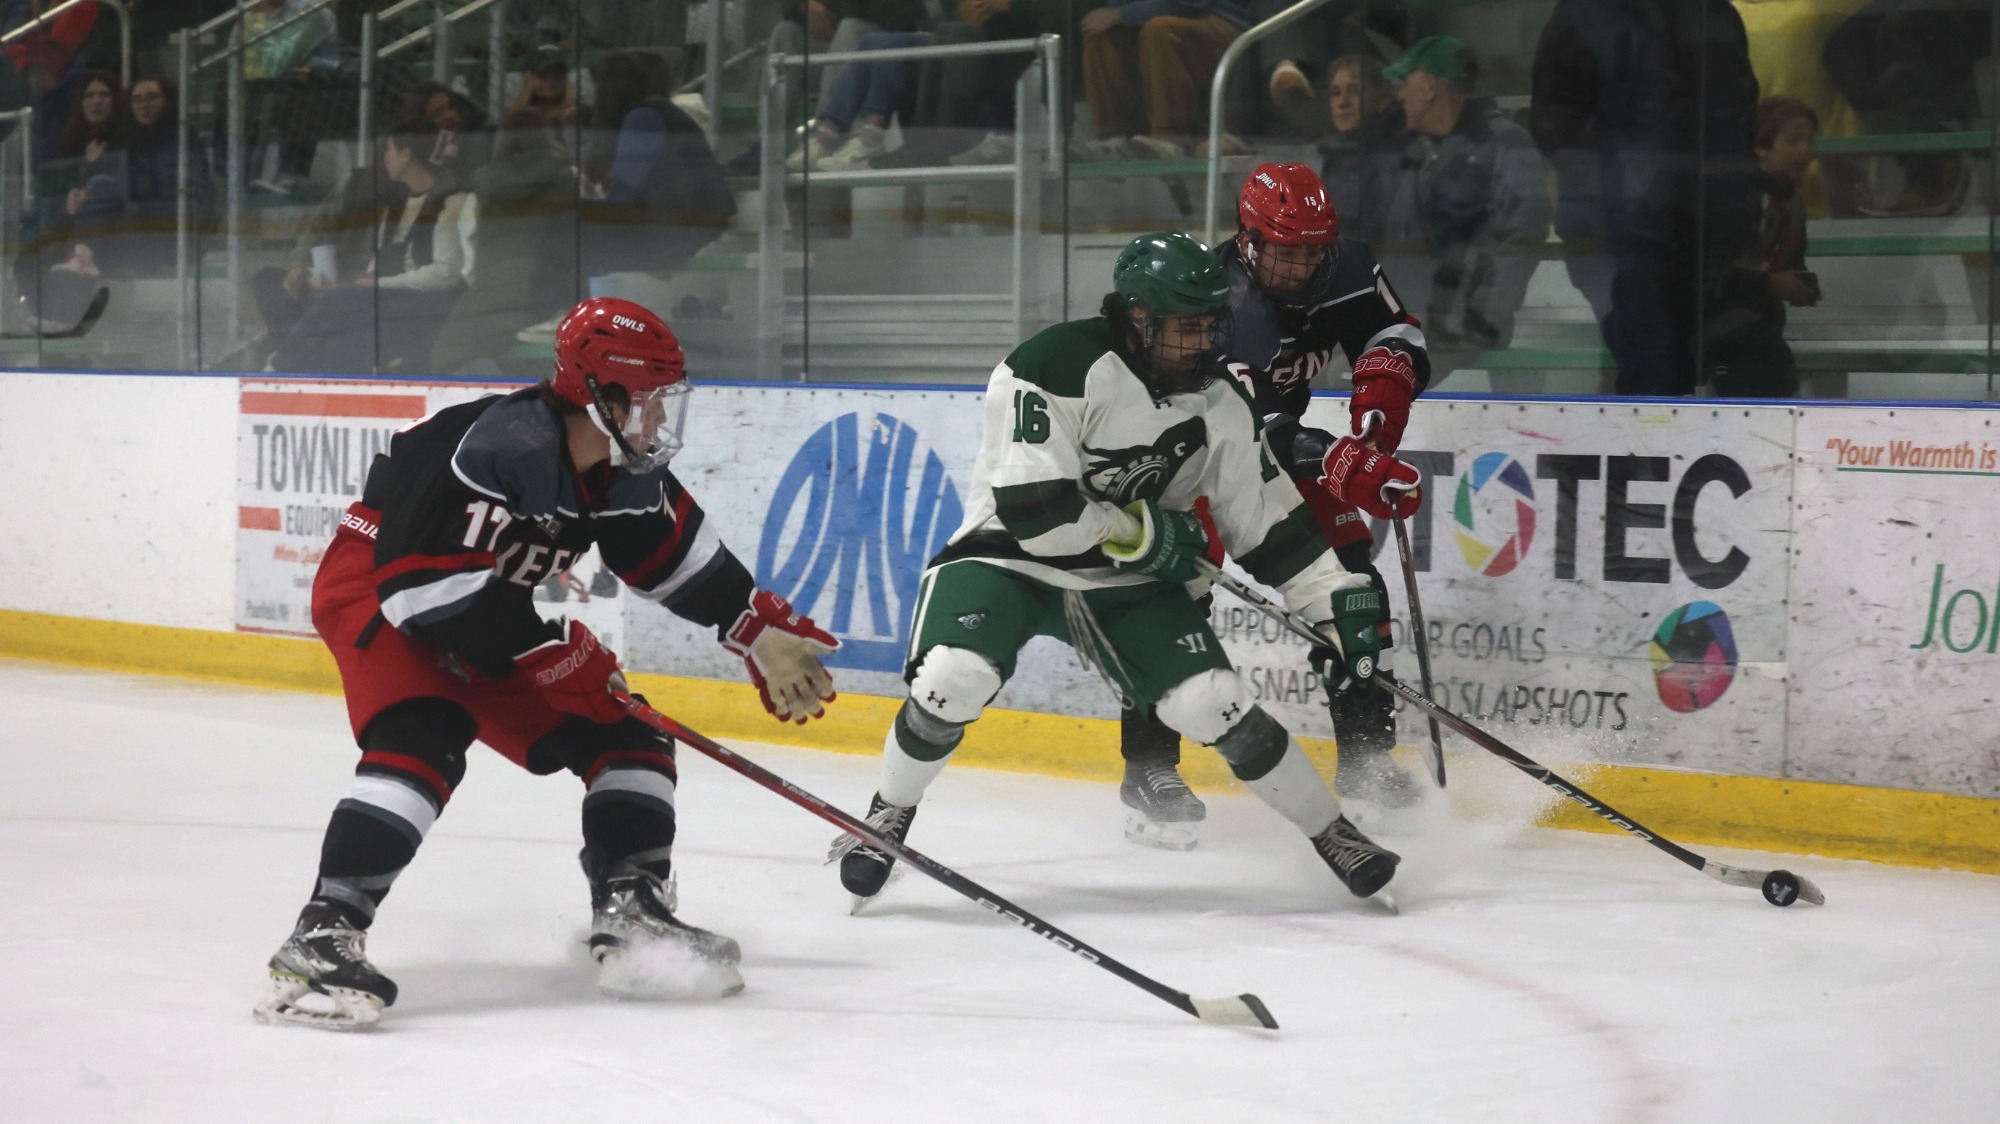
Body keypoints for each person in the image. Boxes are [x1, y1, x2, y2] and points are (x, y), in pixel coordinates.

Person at [256, 297, 842, 1029]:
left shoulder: (617, 464)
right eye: (651, 401)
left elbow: (665, 554)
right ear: (601, 395)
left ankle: (632, 912)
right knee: (426, 730)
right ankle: (320, 935)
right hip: (378, 583)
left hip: (475, 601)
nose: (662, 420)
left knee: (625, 735)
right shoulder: (496, 448)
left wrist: (752, 626)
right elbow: (424, 594)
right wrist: (547, 652)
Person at [834, 230, 1412, 907]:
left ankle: (1334, 833)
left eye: (1211, 323)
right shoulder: (1051, 365)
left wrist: (1331, 604)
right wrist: (1144, 532)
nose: (1205, 341)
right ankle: (886, 812)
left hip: (1122, 575)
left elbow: (1268, 525)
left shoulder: (1220, 401)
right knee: (953, 680)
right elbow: (1039, 514)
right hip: (1006, 559)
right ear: (1138, 317)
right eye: (1185, 326)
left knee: (1212, 703)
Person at [1116, 163, 1432, 848]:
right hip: (1185, 455)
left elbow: (1395, 338)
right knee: (1170, 596)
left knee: (1355, 585)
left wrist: (1376, 427)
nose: (1298, 266)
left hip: (1272, 454)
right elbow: (1255, 422)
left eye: (1311, 250)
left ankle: (1368, 762)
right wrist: (1342, 459)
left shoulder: (1346, 266)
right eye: (1283, 251)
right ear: (1248, 240)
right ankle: (1147, 769)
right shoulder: (1219, 299)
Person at [1530, 0, 1760, 397]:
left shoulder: (1711, 13)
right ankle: (1641, 453)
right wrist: (1619, 182)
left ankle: (1649, 449)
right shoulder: (1588, 14)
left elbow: (1738, 115)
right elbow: (1556, 122)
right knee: (1650, 363)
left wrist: (1735, 206)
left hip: (1697, 223)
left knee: (1684, 362)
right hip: (1624, 227)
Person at [1386, 36, 1550, 372]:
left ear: (1430, 86)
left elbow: (1522, 239)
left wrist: (1475, 320)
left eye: (1405, 83)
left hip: (1460, 327)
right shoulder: (1419, 151)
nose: (1399, 94)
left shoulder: (1504, 143)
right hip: (1416, 322)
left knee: (1372, 381)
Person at [265, 119, 472, 374]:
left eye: (389, 150)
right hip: (387, 295)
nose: (384, 157)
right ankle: (304, 378)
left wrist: (375, 286)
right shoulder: (396, 201)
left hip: (427, 301)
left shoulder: (451, 201)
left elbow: (446, 273)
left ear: (406, 155)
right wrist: (360, 283)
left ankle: (279, 367)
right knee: (341, 327)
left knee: (340, 303)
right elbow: (380, 258)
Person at [1704, 97, 1821, 397]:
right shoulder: (1732, 197)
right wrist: (1768, 283)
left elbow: (1787, 261)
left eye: (1810, 141)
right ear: (1760, 146)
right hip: (1715, 323)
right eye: (1795, 140)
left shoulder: (1793, 203)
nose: (1806, 151)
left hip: (1760, 322)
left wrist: (1800, 285)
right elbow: (1705, 272)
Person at [1078, 0, 1248, 160]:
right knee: (1100, 35)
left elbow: (1193, 3)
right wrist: (1120, 13)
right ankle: (1113, 141)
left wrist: (1123, 14)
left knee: (1160, 29)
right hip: (1155, 18)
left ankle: (1172, 137)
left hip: (1219, 20)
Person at [1315, 52, 1403, 251]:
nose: (1342, 102)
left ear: (1383, 98)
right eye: (1336, 93)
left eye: (1355, 90)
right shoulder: (1336, 152)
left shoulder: (1392, 156)